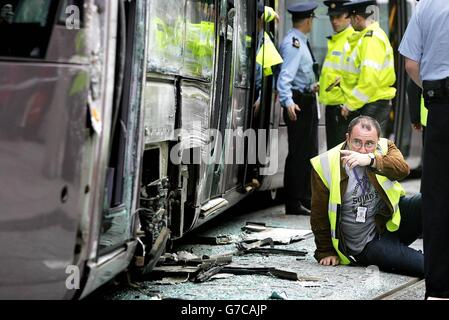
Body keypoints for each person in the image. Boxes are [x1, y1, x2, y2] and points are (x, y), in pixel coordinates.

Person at [310, 116, 423, 277]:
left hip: (391, 222)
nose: (362, 149)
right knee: (425, 267)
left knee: (433, 201)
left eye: (369, 144)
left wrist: (371, 160)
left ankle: (408, 252)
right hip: (366, 244)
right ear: (347, 138)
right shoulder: (325, 163)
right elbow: (318, 214)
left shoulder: (384, 146)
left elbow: (403, 169)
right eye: (357, 142)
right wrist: (325, 250)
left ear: (377, 141)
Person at [399, 0, 449, 299]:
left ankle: (440, 289)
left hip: (440, 107)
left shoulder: (426, 7)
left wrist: (433, 92)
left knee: (438, 198)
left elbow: (410, 64)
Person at [277, 1, 319, 215]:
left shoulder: (300, 41)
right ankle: (294, 201)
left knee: (307, 153)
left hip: (305, 98)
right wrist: (288, 101)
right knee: (298, 154)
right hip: (298, 103)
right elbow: (285, 77)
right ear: (309, 20)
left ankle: (304, 197)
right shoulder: (294, 43)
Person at [339, 0, 396, 136]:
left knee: (366, 151)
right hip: (371, 102)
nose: (350, 24)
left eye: (351, 20)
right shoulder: (368, 37)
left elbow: (369, 81)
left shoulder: (371, 39)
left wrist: (350, 105)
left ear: (357, 18)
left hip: (373, 103)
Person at [319, 0, 354, 149]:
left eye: (338, 16)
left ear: (348, 16)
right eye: (332, 17)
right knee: (334, 153)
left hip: (343, 107)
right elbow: (335, 72)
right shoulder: (337, 39)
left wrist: (349, 104)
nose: (334, 21)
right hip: (333, 105)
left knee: (341, 154)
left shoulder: (352, 39)